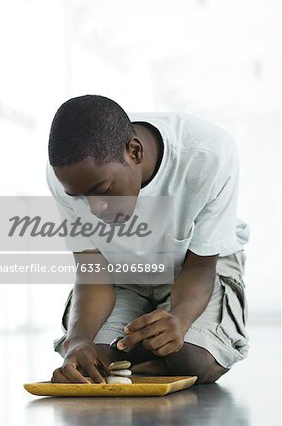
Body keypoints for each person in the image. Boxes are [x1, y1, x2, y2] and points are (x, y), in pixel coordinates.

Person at [46, 94, 250, 384]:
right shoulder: (68, 176)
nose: (93, 208)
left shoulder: (209, 154)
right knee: (94, 361)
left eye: (102, 190)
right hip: (119, 270)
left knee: (192, 360)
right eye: (80, 197)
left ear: (135, 152)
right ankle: (147, 350)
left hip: (195, 264)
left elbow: (201, 266)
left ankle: (158, 350)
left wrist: (179, 318)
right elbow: (92, 270)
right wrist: (78, 340)